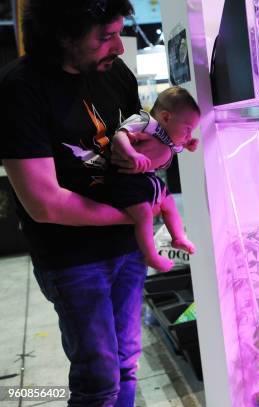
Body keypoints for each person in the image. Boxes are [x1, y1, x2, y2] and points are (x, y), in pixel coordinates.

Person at [0, 0, 172, 405]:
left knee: (127, 362)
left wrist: (168, 146)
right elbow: (46, 203)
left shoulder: (116, 75)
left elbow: (149, 147)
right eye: (106, 37)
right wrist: (135, 216)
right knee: (98, 379)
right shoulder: (19, 89)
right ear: (64, 36)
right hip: (72, 258)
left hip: (126, 248)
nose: (118, 48)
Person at [99, 86, 200, 272]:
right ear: (166, 117)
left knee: (169, 203)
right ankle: (150, 255)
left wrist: (187, 145)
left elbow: (176, 145)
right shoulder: (145, 121)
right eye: (187, 130)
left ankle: (178, 237)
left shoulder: (170, 137)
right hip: (125, 178)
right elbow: (119, 136)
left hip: (147, 179)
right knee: (144, 214)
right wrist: (131, 153)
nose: (188, 135)